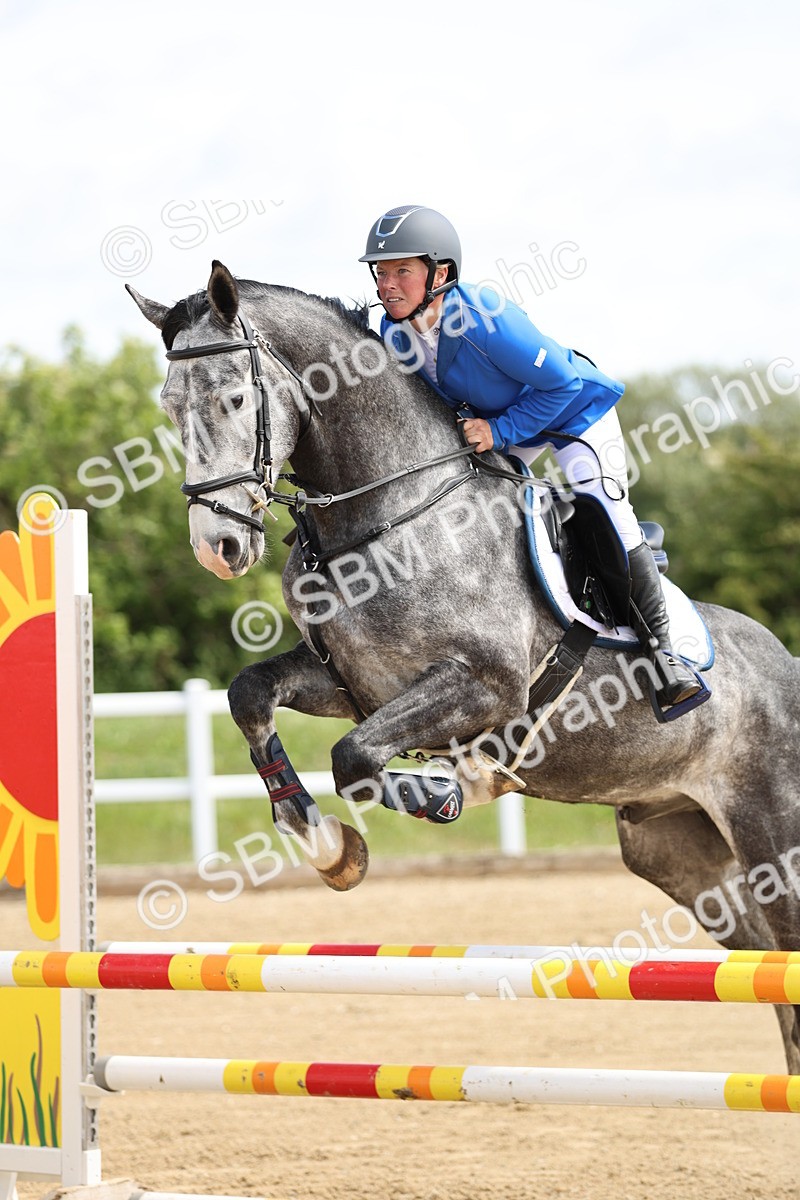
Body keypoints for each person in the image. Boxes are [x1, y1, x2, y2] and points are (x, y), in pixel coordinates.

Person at [359, 204, 701, 708]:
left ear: (441, 273)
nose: (388, 285)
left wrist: (500, 431)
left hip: (573, 414)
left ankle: (665, 656)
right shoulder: (395, 332)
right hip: (506, 419)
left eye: (402, 271)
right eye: (381, 272)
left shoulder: (486, 318)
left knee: (607, 510)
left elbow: (561, 384)